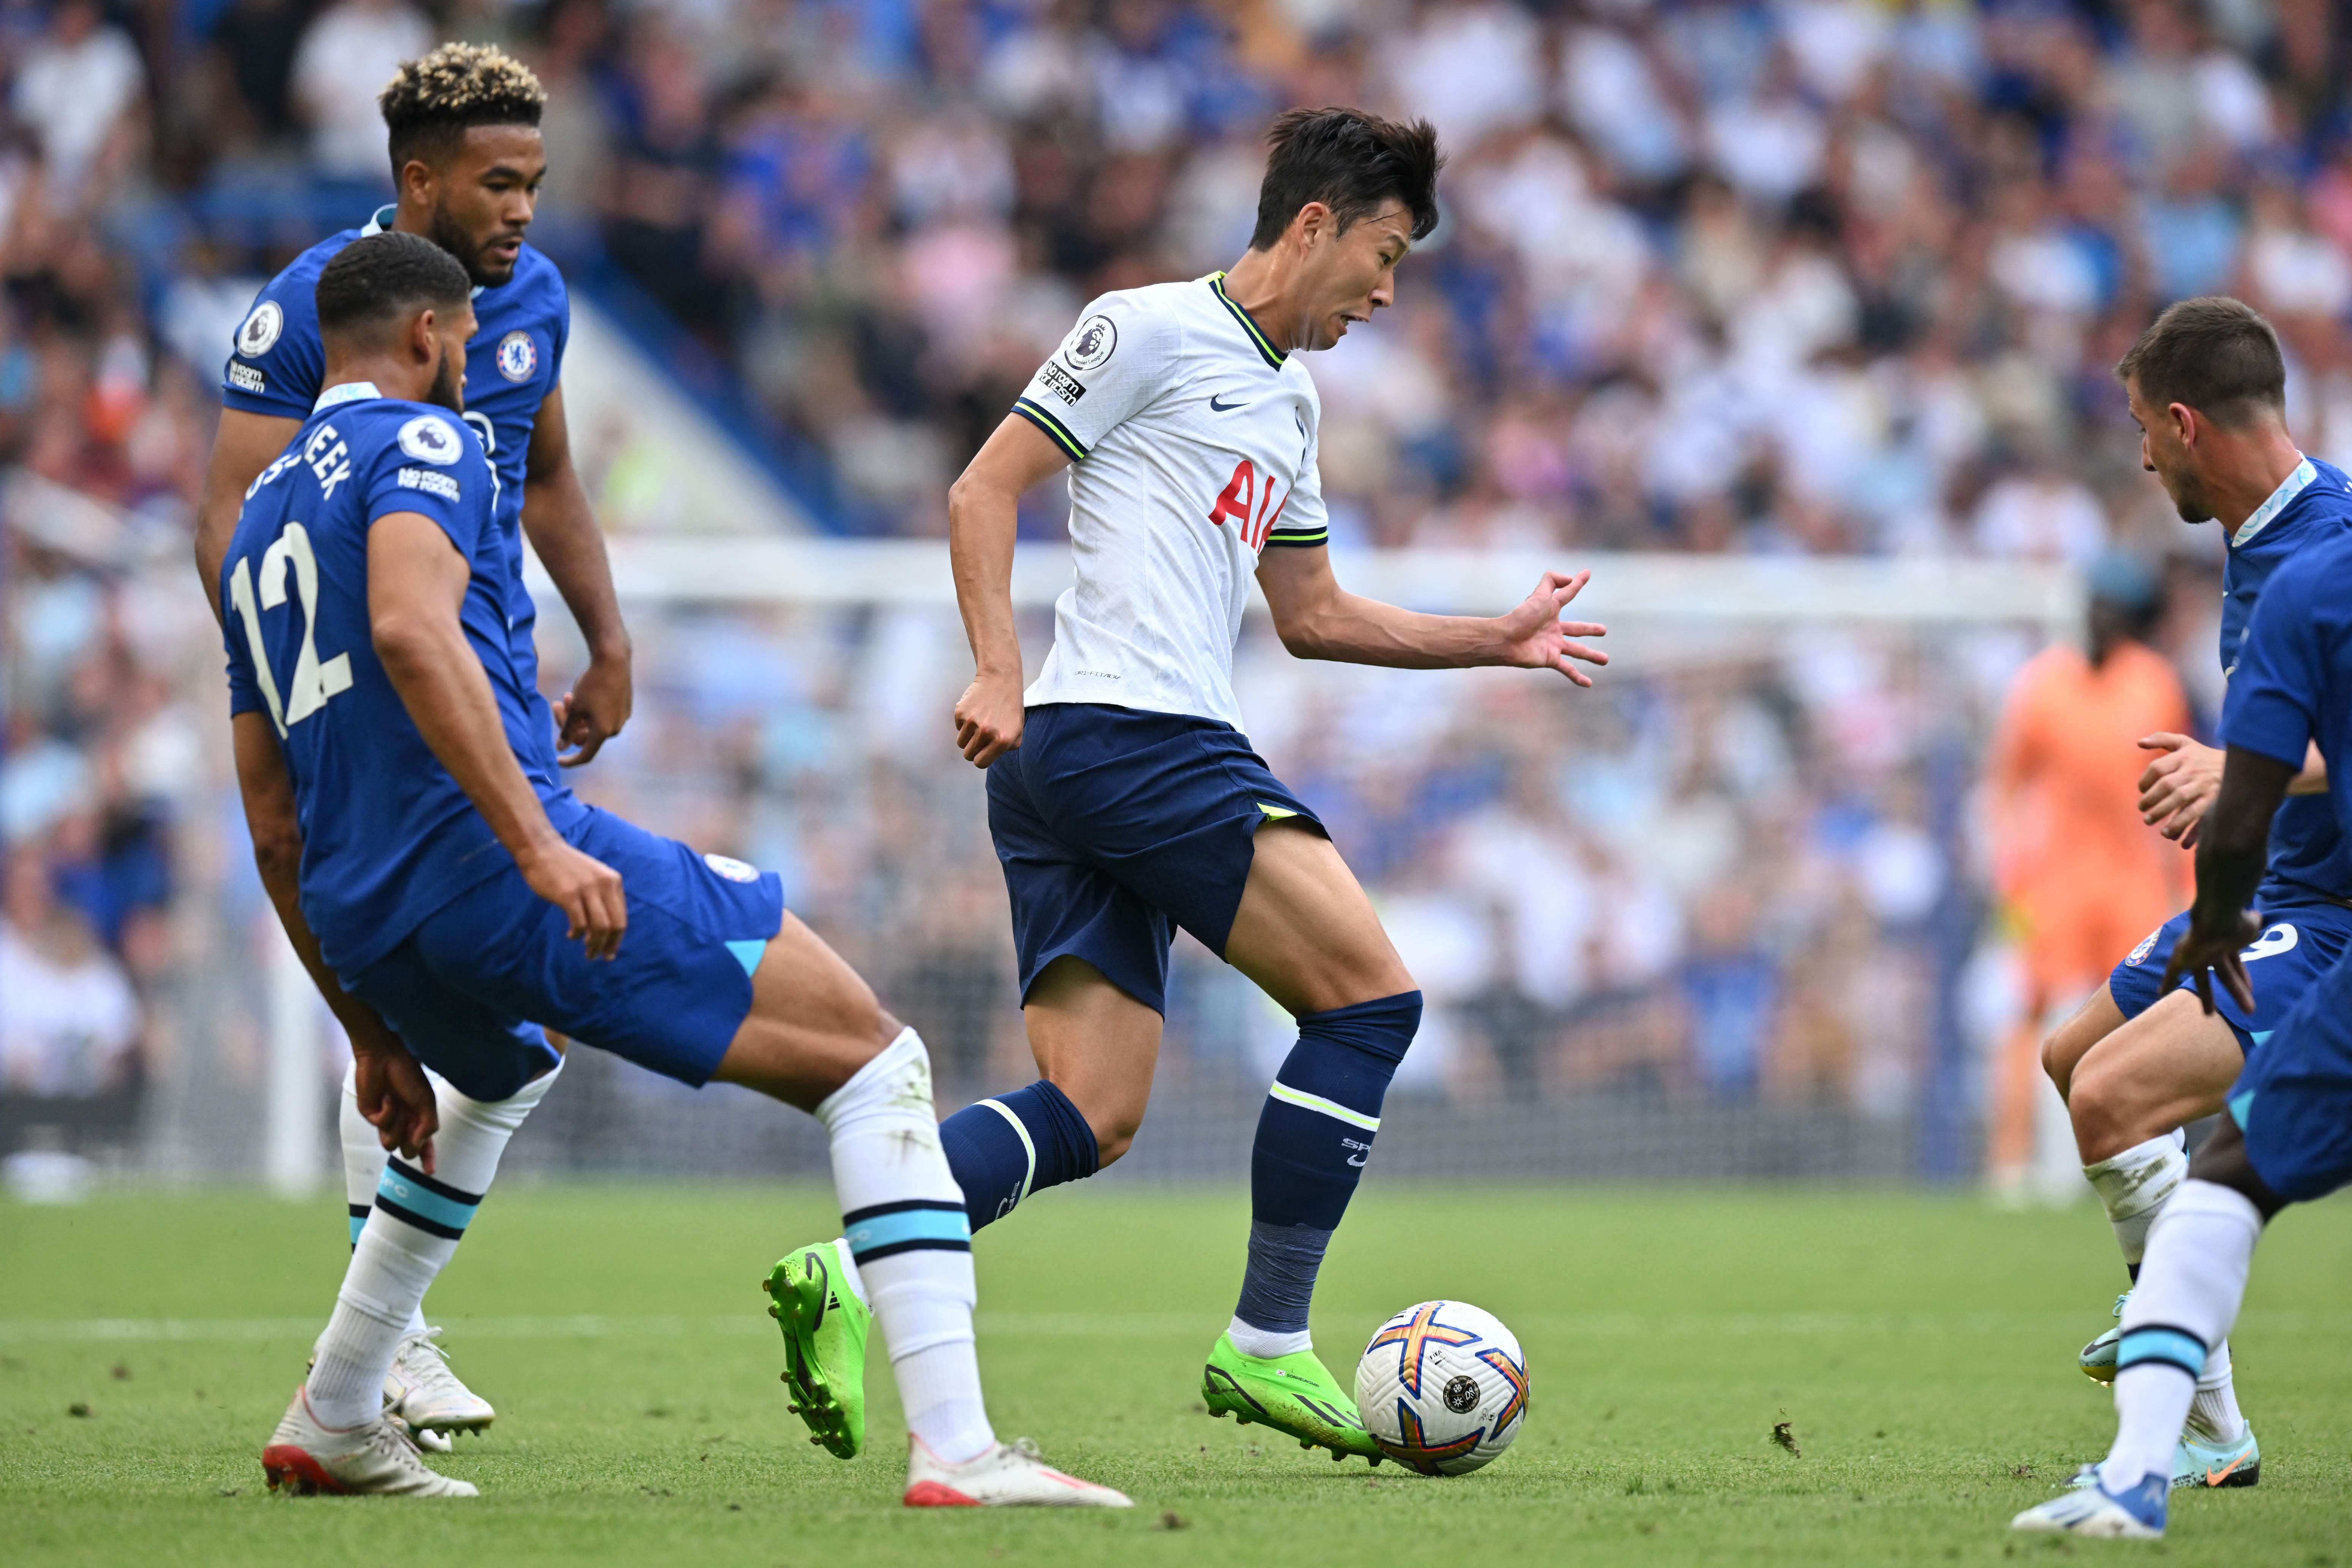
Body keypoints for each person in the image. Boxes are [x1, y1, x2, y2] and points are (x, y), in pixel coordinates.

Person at [226, 231, 1125, 1508]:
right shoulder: (424, 442)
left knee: (500, 1072)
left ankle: (336, 1403)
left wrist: (365, 1030)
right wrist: (538, 844)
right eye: (469, 346)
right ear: (427, 336)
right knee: (876, 1061)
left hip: (364, 918)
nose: (476, 367)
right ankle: (961, 1448)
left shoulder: (257, 527)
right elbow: (410, 628)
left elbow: (270, 816)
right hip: (497, 869)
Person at [937, 106, 1598, 1465]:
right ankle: (1268, 1339)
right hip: (1129, 732)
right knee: (1370, 1002)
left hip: (1087, 762)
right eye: (1385, 251)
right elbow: (981, 491)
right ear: (1314, 225)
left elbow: (1311, 612)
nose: (1386, 290)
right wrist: (997, 666)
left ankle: (854, 1247)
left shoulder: (1289, 397)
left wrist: (1498, 636)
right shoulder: (1145, 325)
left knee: (1093, 1113)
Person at [193, 42, 634, 1446]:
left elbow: (550, 474)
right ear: (417, 181)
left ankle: (380, 1338)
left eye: (537, 184)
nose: (522, 211)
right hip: (377, 676)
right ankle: (388, 1337)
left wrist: (608, 639)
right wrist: (285, 684)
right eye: (498, 185)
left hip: (491, 678)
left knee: (516, 1004)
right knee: (441, 966)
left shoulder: (537, 299)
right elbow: (230, 514)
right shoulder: (313, 307)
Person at [2035, 298, 2352, 1489]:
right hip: (2277, 900)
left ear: (2184, 424)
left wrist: (2244, 771)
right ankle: (2212, 1401)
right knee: (2072, 1056)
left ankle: (2181, 1362)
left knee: (2110, 1099)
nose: (2140, 457)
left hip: (2332, 928)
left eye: (2142, 432)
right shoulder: (2254, 535)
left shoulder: (2335, 546)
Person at [1984, 556, 2191, 1199]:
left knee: (2138, 1015)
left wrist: (2186, 882)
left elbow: (2180, 786)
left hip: (2131, 879)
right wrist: (2008, 878)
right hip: (2055, 882)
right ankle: (2012, 1170)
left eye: (2114, 610)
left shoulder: (2153, 684)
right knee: (2033, 1011)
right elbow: (2005, 787)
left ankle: (2132, 1155)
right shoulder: (2043, 686)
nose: (2102, 620)